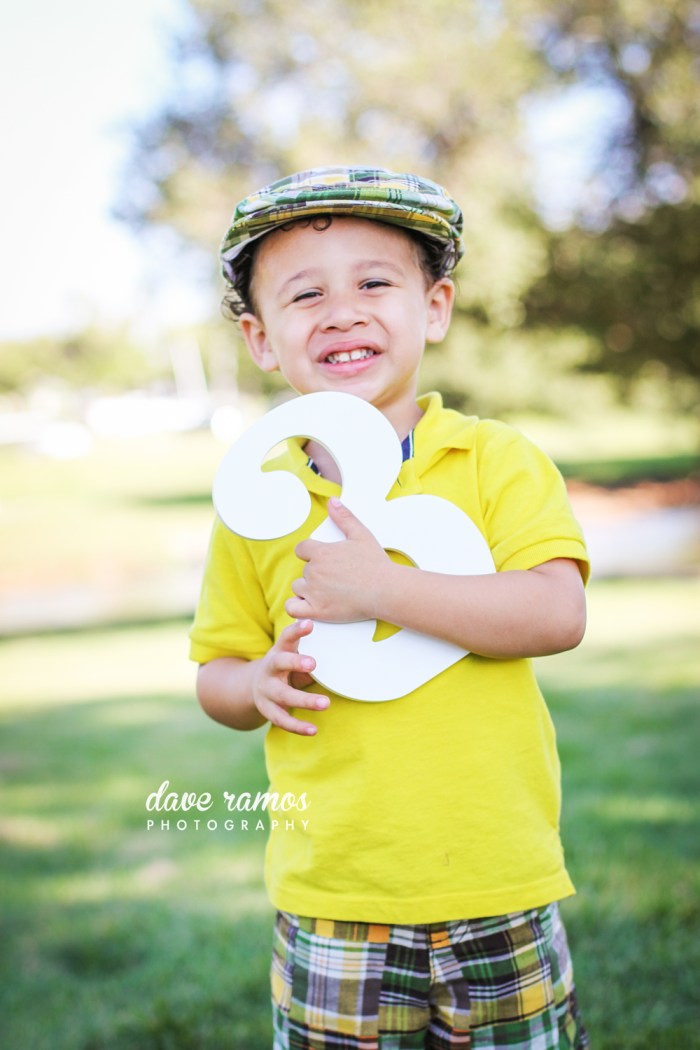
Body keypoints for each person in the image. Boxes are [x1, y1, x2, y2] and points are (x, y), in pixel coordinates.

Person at [190, 166, 590, 1049]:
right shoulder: (256, 504)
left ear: (435, 308)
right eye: (305, 294)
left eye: (375, 282)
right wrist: (253, 683)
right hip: (335, 894)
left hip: (500, 879)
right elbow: (214, 673)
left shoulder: (494, 461)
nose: (342, 310)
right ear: (260, 340)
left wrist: (385, 591)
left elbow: (557, 614)